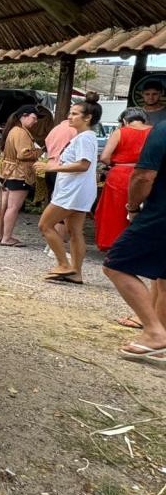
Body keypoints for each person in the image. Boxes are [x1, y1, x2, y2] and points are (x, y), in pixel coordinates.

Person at [102, 120, 166, 365]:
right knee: (163, 277)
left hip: (160, 212)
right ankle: (160, 341)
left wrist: (132, 206)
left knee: (116, 264)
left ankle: (154, 332)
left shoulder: (162, 129)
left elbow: (143, 176)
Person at [35, 97, 101, 284]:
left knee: (45, 225)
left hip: (73, 191)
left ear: (87, 118)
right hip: (78, 190)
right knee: (74, 231)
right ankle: (76, 272)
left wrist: (51, 168)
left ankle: (64, 264)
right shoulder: (85, 137)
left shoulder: (85, 138)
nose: (69, 117)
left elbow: (83, 165)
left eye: (74, 114)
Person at [94, 108, 153, 257]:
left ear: (125, 121)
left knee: (115, 212)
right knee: (146, 211)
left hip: (120, 175)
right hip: (148, 173)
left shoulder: (121, 132)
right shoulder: (154, 131)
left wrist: (114, 162)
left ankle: (114, 246)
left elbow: (105, 157)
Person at [0, 105, 41, 247]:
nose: (36, 121)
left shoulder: (13, 130)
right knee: (12, 207)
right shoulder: (20, 132)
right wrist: (38, 152)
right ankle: (7, 238)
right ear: (24, 116)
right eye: (34, 117)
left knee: (3, 205)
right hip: (18, 173)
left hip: (6, 171)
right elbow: (23, 153)